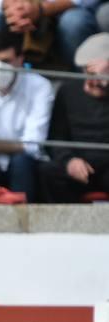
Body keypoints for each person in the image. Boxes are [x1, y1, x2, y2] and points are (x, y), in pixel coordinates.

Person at [0, 27, 51, 199]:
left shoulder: (40, 87)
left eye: (6, 61)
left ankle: (22, 223)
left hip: (28, 166)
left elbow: (33, 145)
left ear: (20, 59)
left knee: (21, 162)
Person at [39, 33, 109, 202]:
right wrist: (69, 161)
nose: (90, 83)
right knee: (47, 172)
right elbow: (56, 137)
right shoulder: (68, 91)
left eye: (96, 76)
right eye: (87, 73)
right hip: (79, 164)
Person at [0, 0, 100, 70]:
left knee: (74, 22)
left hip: (67, 7)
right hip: (16, 7)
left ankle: (81, 83)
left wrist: (42, 9)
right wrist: (9, 5)